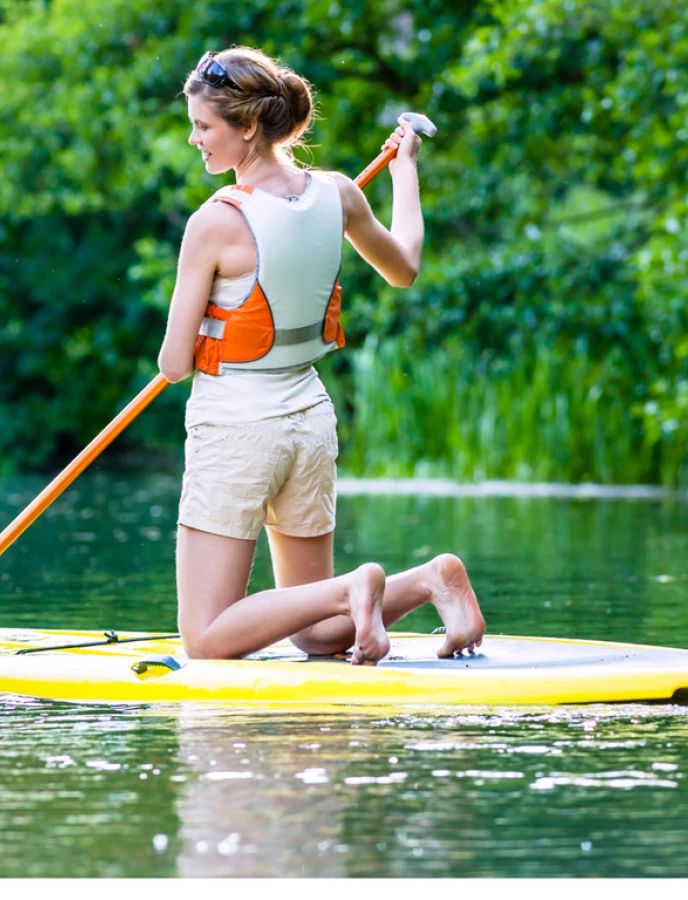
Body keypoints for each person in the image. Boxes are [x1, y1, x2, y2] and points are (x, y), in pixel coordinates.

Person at [157, 47, 485, 665]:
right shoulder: (336, 193)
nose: (195, 139)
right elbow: (405, 267)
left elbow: (174, 365)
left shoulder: (214, 222)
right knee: (316, 631)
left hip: (237, 429)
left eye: (204, 126)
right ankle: (428, 581)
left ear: (247, 127)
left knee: (204, 637)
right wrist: (404, 170)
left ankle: (353, 585)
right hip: (309, 420)